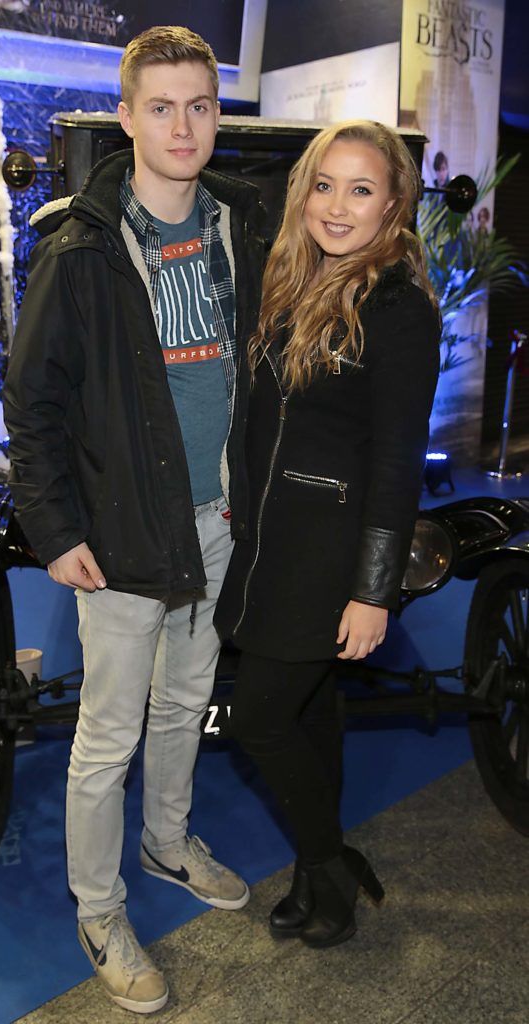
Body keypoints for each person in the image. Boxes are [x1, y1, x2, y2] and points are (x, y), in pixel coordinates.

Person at [3, 25, 265, 1015]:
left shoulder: (243, 224)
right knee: (105, 734)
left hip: (219, 522)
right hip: (118, 537)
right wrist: (56, 525)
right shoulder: (78, 251)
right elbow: (32, 407)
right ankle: (99, 907)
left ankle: (166, 842)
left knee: (181, 706)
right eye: (161, 106)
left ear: (216, 112)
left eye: (199, 104)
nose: (183, 124)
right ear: (127, 118)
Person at [215, 120, 441, 950]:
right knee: (309, 712)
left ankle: (327, 860)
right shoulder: (291, 279)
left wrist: (371, 591)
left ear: (393, 203)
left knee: (259, 717)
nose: (337, 207)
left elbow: (396, 462)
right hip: (268, 543)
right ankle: (323, 886)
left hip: (330, 555)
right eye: (324, 185)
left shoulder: (398, 307)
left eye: (360, 189)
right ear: (302, 191)